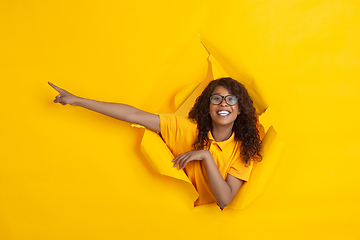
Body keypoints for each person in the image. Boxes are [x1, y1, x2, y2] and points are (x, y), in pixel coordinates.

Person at [49, 77, 262, 208]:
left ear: (240, 108)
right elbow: (134, 114)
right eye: (216, 98)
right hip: (175, 215)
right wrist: (78, 100)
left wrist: (205, 156)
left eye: (231, 99)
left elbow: (225, 200)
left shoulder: (243, 149)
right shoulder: (185, 128)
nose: (223, 103)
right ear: (208, 106)